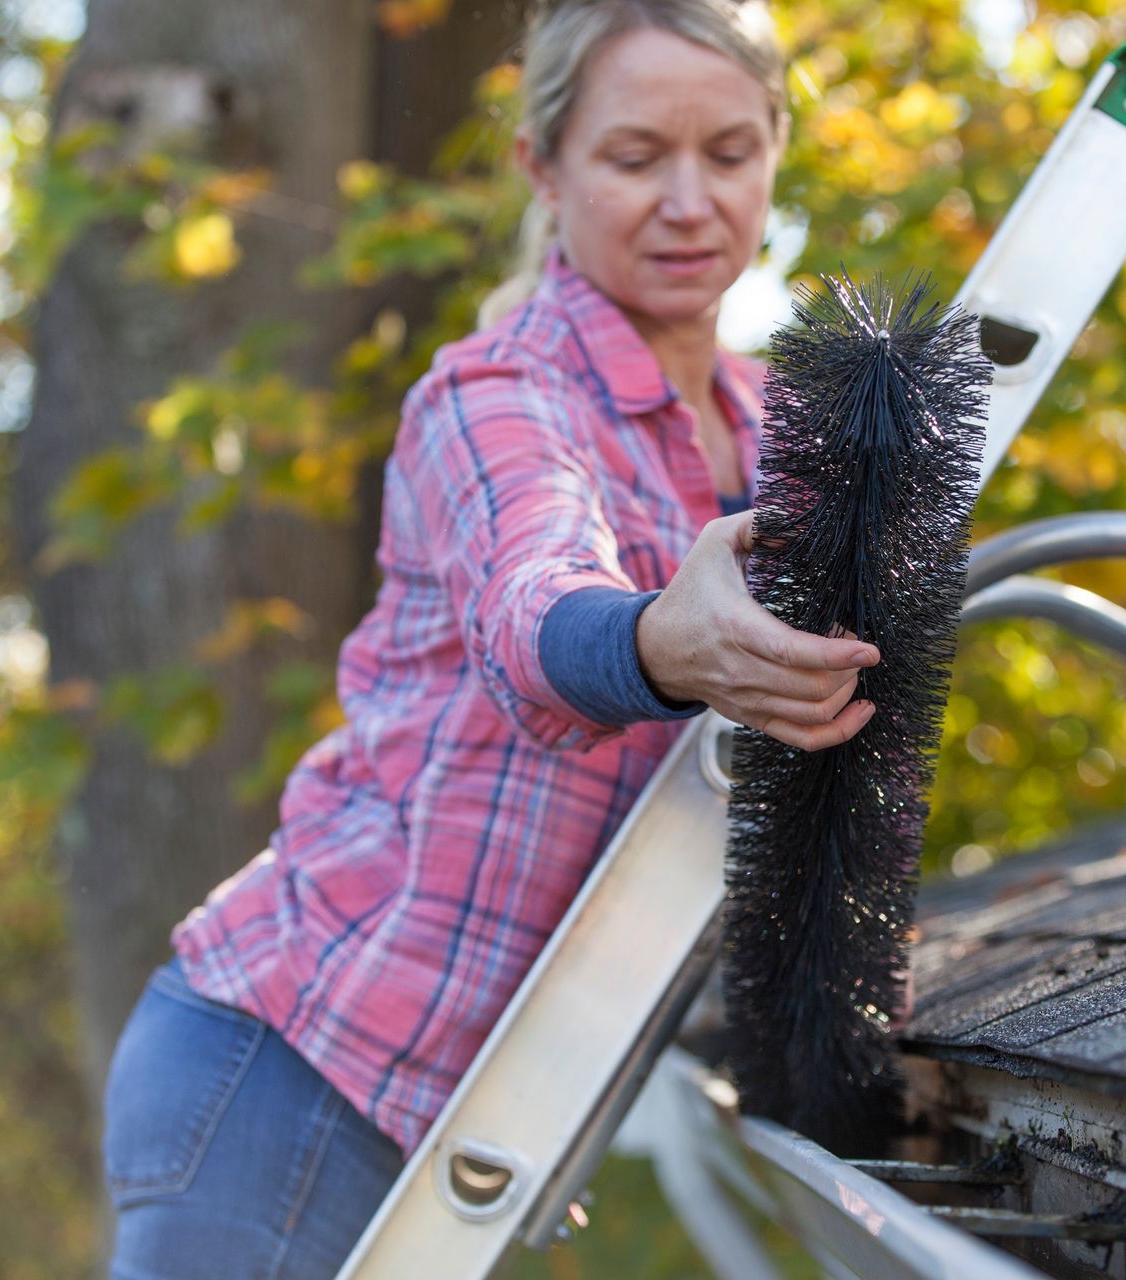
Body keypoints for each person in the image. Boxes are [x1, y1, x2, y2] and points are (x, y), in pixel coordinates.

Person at [98, 1, 882, 1275]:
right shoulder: (498, 392)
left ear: (777, 152)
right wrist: (660, 641)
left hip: (478, 1122)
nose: (690, 201)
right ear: (543, 166)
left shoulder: (790, 433)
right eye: (636, 159)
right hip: (300, 1072)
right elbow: (538, 598)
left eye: (730, 154)